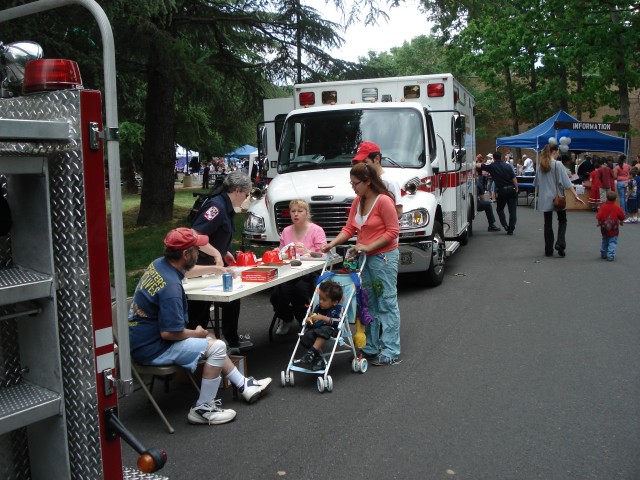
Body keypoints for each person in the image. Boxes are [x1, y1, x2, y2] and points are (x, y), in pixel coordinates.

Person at [128, 228, 272, 425]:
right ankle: (203, 409)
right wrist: (197, 333)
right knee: (217, 346)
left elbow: (189, 271)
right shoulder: (170, 287)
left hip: (140, 339)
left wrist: (215, 268)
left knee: (211, 339)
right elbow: (169, 333)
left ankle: (244, 385)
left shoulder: (160, 265)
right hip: (153, 349)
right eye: (196, 249)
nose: (200, 252)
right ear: (186, 254)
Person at [320, 162, 401, 366]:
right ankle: (371, 346)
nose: (353, 187)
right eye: (351, 183)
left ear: (368, 182)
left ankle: (391, 349)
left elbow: (392, 232)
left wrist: (367, 246)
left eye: (355, 183)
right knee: (368, 302)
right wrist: (331, 244)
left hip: (383, 258)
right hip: (365, 259)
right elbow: (349, 228)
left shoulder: (384, 201)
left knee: (386, 302)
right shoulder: (358, 201)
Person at [189, 171, 252, 353]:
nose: (246, 199)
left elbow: (219, 234)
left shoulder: (227, 207)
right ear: (238, 190)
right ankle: (199, 348)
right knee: (199, 312)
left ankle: (231, 340)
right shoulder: (216, 207)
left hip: (214, 266)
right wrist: (216, 252)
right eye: (246, 195)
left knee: (232, 298)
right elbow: (196, 235)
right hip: (199, 266)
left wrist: (225, 252)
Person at [271, 199, 327, 335]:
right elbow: (281, 252)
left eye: (300, 211)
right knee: (277, 294)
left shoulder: (316, 230)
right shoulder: (286, 231)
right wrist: (277, 252)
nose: (296, 214)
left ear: (307, 213)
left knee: (299, 291)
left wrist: (307, 251)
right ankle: (286, 318)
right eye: (293, 211)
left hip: (309, 272)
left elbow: (324, 255)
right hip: (289, 271)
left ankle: (303, 320)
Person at [533, 144, 584, 257]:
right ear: (554, 151)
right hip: (557, 197)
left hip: (545, 198)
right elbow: (567, 183)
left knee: (547, 223)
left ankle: (548, 249)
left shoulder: (541, 165)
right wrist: (576, 196)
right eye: (558, 151)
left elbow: (536, 183)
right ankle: (560, 243)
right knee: (562, 220)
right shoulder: (558, 164)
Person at [293, 280, 344, 371]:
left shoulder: (338, 309)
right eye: (320, 298)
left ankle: (311, 353)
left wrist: (324, 318)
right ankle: (317, 358)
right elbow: (313, 319)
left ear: (335, 302)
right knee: (305, 337)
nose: (320, 301)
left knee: (323, 330)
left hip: (332, 330)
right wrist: (310, 320)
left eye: (324, 300)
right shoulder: (318, 307)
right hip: (317, 330)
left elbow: (339, 322)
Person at [352, 141, 403, 218]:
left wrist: (378, 221)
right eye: (359, 163)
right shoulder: (362, 181)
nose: (361, 166)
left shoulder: (389, 182)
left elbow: (399, 212)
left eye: (365, 162)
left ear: (377, 159)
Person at [476, 151, 518, 234]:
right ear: (501, 157)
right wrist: (516, 187)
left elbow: (480, 165)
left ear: (494, 158)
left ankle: (505, 225)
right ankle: (511, 228)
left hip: (501, 190)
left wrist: (474, 163)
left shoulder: (492, 166)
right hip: (511, 189)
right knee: (512, 210)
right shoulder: (508, 166)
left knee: (500, 209)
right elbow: (514, 178)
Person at [596, 191, 626, 261]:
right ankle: (610, 255)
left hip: (604, 227)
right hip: (614, 228)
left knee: (605, 240)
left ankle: (603, 253)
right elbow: (622, 216)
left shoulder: (603, 207)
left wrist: (599, 223)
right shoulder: (617, 207)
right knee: (612, 241)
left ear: (606, 198)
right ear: (615, 199)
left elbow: (598, 216)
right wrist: (621, 221)